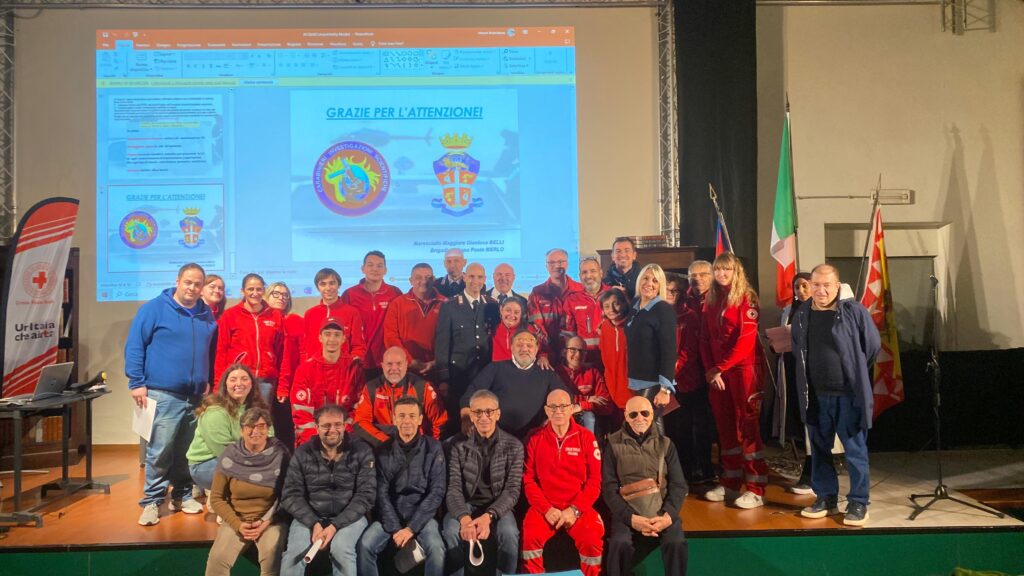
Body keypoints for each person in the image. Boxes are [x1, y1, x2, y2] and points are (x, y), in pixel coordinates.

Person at [126, 262, 217, 526]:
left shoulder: (205, 314)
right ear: (178, 281)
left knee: (187, 450)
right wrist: (136, 382)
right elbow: (135, 345)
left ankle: (182, 495)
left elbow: (209, 352)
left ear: (202, 288)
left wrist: (208, 381)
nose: (192, 287)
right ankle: (153, 501)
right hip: (162, 393)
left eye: (197, 284)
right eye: (188, 282)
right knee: (160, 450)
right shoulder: (154, 309)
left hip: (195, 396)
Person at [792, 264, 880, 526]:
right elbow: (798, 346)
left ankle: (858, 502)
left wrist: (853, 372)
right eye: (815, 284)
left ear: (837, 286)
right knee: (819, 450)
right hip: (816, 395)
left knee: (854, 450)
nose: (820, 290)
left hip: (848, 395)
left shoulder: (854, 311)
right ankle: (826, 498)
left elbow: (872, 346)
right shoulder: (803, 313)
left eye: (826, 285)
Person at [699, 252, 768, 509]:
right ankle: (730, 483)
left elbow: (746, 341)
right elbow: (704, 339)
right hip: (718, 374)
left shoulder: (746, 298)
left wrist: (720, 367)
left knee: (747, 428)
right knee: (725, 428)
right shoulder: (711, 298)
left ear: (736, 271)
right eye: (718, 270)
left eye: (726, 270)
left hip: (744, 371)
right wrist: (711, 370)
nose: (721, 274)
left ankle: (756, 488)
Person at [280, 404, 376, 576]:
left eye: (337, 425)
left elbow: (366, 495)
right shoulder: (302, 453)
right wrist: (313, 523)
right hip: (310, 517)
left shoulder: (362, 450)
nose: (332, 430)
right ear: (316, 427)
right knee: (294, 554)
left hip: (349, 518)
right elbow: (290, 495)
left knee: (342, 550)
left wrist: (335, 526)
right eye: (326, 425)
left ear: (345, 425)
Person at [357, 397, 448, 576]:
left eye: (412, 416)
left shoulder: (434, 448)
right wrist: (396, 528)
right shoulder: (383, 450)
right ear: (394, 419)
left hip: (421, 514)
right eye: (402, 416)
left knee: (437, 549)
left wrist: (411, 528)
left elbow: (436, 491)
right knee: (365, 545)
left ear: (420, 419)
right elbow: (381, 493)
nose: (407, 421)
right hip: (392, 514)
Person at [521, 390, 604, 576]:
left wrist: (575, 510)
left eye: (563, 406)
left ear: (572, 408)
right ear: (546, 410)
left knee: (592, 537)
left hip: (578, 507)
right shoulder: (534, 438)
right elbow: (528, 480)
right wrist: (546, 508)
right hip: (545, 507)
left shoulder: (587, 438)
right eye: (553, 407)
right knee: (529, 536)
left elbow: (595, 481)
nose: (558, 411)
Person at [603, 396, 688, 576]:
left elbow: (679, 485)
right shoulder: (612, 444)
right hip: (627, 511)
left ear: (652, 415)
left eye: (645, 413)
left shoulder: (666, 444)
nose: (639, 418)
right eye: (633, 414)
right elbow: (609, 489)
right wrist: (630, 518)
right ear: (625, 416)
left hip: (661, 508)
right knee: (619, 543)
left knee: (676, 542)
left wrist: (668, 516)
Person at [443, 391, 524, 576]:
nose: (483, 417)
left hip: (497, 506)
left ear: (497, 414)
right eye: (478, 412)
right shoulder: (455, 445)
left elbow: (512, 491)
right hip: (465, 504)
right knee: (450, 531)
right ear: (471, 415)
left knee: (509, 533)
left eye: (489, 411)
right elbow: (453, 488)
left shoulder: (514, 446)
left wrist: (489, 516)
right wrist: (464, 520)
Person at [205, 407, 288, 576]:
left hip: (270, 521)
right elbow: (216, 498)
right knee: (217, 561)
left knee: (272, 560)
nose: (255, 431)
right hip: (238, 518)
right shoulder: (230, 454)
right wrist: (238, 524)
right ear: (242, 430)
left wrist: (266, 522)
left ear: (268, 429)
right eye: (250, 426)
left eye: (261, 426)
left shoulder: (281, 454)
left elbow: (288, 496)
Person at [461, 329, 568, 439]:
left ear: (536, 349)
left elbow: (569, 400)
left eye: (529, 345)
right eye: (519, 344)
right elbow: (469, 395)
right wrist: (466, 418)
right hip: (496, 437)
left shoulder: (547, 373)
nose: (524, 349)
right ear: (511, 348)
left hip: (534, 438)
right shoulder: (495, 368)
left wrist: (552, 419)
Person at [434, 262, 498, 436]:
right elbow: (442, 343)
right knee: (458, 423)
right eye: (471, 276)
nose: (475, 281)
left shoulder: (492, 304)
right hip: (458, 375)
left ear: (485, 279)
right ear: (464, 277)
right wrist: (444, 378)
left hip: (485, 374)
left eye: (479, 277)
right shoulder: (450, 306)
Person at [188, 363, 270, 494]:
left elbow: (269, 438)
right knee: (258, 478)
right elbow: (224, 451)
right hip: (207, 463)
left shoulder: (259, 409)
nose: (239, 383)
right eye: (233, 380)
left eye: (244, 379)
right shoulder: (216, 411)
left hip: (245, 458)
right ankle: (221, 502)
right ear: (225, 385)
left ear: (252, 384)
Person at [666, 273, 716, 486]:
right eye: (666, 290)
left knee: (691, 429)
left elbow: (689, 352)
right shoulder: (657, 314)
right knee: (672, 431)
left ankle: (698, 471)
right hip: (664, 384)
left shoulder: (689, 316)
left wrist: (669, 374)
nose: (670, 295)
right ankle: (678, 473)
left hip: (686, 381)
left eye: (674, 291)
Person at [353, 346, 448, 447]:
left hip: (416, 446)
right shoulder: (371, 388)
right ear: (382, 365)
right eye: (389, 364)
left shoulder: (422, 387)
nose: (394, 368)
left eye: (399, 364)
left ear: (406, 365)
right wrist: (384, 442)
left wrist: (430, 448)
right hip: (384, 445)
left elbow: (440, 422)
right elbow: (361, 422)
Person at [772, 272, 814, 494]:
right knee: (797, 423)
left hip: (811, 374)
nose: (801, 291)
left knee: (812, 427)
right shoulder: (788, 311)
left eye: (805, 286)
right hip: (790, 371)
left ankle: (812, 474)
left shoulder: (819, 310)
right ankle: (805, 470)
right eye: (797, 287)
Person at [289, 318, 360, 446]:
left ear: (343, 339)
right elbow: (301, 414)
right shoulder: (305, 370)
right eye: (327, 334)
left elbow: (358, 410)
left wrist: (341, 436)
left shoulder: (354, 368)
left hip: (346, 437)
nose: (332, 339)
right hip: (312, 440)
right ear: (320, 338)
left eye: (337, 335)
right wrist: (320, 441)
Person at [215, 273, 284, 402]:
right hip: (238, 380)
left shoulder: (275, 315)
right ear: (242, 291)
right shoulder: (230, 315)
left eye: (259, 289)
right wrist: (218, 385)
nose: (255, 293)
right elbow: (221, 351)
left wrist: (282, 385)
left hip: (266, 380)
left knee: (261, 419)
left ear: (264, 290)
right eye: (250, 289)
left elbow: (280, 352)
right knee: (238, 419)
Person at [625, 264, 677, 432]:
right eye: (646, 278)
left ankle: (659, 458)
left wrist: (665, 389)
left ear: (660, 285)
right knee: (652, 426)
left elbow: (669, 351)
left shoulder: (663, 309)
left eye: (655, 280)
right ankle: (658, 458)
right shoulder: (635, 304)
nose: (649, 283)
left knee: (642, 426)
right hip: (637, 378)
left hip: (653, 382)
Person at [342, 251, 403, 381]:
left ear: (385, 270)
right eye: (370, 265)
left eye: (379, 265)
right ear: (363, 268)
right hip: (358, 360)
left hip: (387, 360)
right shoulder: (350, 294)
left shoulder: (395, 293)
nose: (375, 269)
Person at [383, 263, 446, 379]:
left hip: (438, 369)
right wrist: (409, 361)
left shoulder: (445, 304)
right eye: (418, 278)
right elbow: (390, 336)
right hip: (406, 369)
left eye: (428, 278)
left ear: (434, 280)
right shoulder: (397, 304)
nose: (423, 281)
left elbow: (453, 338)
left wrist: (436, 362)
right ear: (411, 280)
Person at [301, 267, 366, 367]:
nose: (328, 288)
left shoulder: (352, 312)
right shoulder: (310, 314)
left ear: (338, 285)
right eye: (323, 284)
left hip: (343, 372)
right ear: (318, 287)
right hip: (315, 372)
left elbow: (358, 347)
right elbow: (304, 348)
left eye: (332, 283)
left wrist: (351, 367)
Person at [527, 248, 582, 364]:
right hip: (548, 357)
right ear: (546, 266)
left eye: (561, 262)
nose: (556, 266)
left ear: (567, 264)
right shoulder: (537, 292)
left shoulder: (580, 290)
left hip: (577, 355)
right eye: (551, 262)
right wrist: (543, 352)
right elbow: (536, 327)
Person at [267, 281, 303, 448]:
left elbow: (298, 354)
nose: (281, 297)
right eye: (276, 293)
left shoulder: (295, 321)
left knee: (286, 428)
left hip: (290, 384)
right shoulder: (261, 322)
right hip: (266, 380)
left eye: (285, 295)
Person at [556, 335, 614, 435]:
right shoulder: (555, 373)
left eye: (582, 351)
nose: (578, 355)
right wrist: (587, 400)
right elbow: (558, 401)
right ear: (565, 351)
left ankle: (590, 448)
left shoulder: (592, 373)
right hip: (562, 419)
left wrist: (581, 406)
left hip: (587, 423)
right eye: (573, 350)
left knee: (589, 416)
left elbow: (607, 405)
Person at [561, 256, 610, 368]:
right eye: (584, 272)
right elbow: (567, 334)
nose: (588, 276)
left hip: (611, 357)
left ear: (601, 273)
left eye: (593, 271)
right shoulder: (572, 300)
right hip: (584, 360)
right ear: (579, 276)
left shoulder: (614, 294)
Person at [598, 288, 633, 413]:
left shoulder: (634, 325)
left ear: (624, 303)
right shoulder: (605, 328)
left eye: (616, 303)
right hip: (613, 387)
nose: (611, 309)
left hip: (634, 388)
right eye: (606, 306)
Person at [491, 297, 534, 363]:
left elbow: (541, 348)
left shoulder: (529, 330)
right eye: (508, 310)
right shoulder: (492, 328)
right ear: (501, 310)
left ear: (521, 314)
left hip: (521, 370)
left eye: (516, 312)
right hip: (497, 370)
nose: (512, 315)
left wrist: (543, 356)